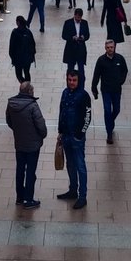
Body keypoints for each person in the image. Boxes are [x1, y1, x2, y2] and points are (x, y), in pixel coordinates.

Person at [5, 81, 47, 209]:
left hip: (19, 143)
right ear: (29, 92)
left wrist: (18, 131)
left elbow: (9, 121)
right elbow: (41, 126)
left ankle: (19, 197)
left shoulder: (11, 104)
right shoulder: (32, 106)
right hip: (33, 145)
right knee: (30, 172)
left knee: (20, 170)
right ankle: (29, 200)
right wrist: (41, 136)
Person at [57, 71, 91, 209]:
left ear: (79, 81)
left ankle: (82, 196)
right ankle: (72, 190)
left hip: (76, 137)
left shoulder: (84, 96)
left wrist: (80, 133)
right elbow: (61, 111)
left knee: (80, 166)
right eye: (69, 79)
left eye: (74, 80)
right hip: (66, 135)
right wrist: (60, 131)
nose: (71, 82)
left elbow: (88, 117)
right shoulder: (65, 93)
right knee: (70, 165)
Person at [91, 38, 129, 143]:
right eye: (108, 48)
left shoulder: (120, 59)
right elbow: (96, 75)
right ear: (105, 48)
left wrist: (121, 81)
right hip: (106, 90)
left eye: (111, 47)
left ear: (114, 47)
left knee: (116, 109)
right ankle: (109, 134)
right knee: (107, 111)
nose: (110, 49)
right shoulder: (101, 60)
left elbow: (125, 71)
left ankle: (110, 122)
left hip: (116, 89)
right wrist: (94, 88)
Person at [8, 15, 37, 83]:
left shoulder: (15, 32)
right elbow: (33, 43)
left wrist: (12, 57)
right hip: (27, 57)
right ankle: (27, 86)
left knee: (18, 74)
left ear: (18, 22)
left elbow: (11, 46)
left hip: (18, 58)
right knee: (27, 72)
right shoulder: (28, 31)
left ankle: (24, 86)